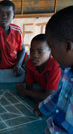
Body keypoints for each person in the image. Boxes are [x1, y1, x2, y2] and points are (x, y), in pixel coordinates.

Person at [34, 6, 73, 134]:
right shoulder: (67, 70)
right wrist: (42, 108)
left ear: (68, 46)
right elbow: (59, 94)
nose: (51, 55)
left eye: (51, 47)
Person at [16, 34, 61, 102]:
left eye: (40, 52)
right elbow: (29, 88)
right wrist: (28, 92)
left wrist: (25, 92)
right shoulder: (30, 63)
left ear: (50, 52)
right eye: (32, 51)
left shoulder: (55, 66)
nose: (34, 55)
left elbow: (49, 96)